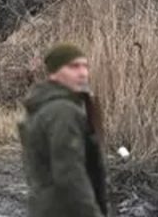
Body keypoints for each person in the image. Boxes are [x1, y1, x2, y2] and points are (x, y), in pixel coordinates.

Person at [19, 43, 108, 217]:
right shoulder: (63, 111)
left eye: (85, 66)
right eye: (74, 67)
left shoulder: (43, 105)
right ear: (54, 73)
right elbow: (69, 174)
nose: (82, 73)